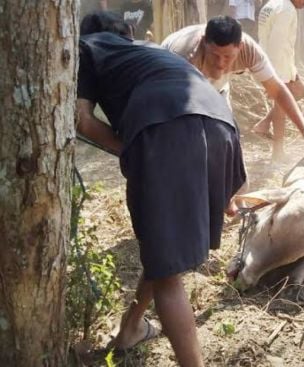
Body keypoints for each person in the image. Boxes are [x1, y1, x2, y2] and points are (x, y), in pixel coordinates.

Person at [77, 12, 247, 366]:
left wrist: (136, 152)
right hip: (222, 126)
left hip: (167, 130)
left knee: (167, 274)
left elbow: (82, 120)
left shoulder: (86, 47)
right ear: (127, 33)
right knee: (162, 251)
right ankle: (131, 328)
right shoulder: (149, 53)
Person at [162, 16, 304, 162]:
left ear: (240, 47)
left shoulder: (250, 51)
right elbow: (176, 106)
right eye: (215, 55)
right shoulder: (184, 56)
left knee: (227, 136)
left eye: (227, 57)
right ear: (204, 42)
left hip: (218, 89)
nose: (220, 63)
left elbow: (277, 90)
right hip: (175, 87)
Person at [257, 0, 304, 160]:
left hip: (275, 62)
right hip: (277, 64)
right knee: (281, 105)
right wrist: (277, 75)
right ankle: (278, 151)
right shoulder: (287, 10)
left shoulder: (272, 5)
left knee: (300, 91)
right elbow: (277, 44)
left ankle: (264, 123)